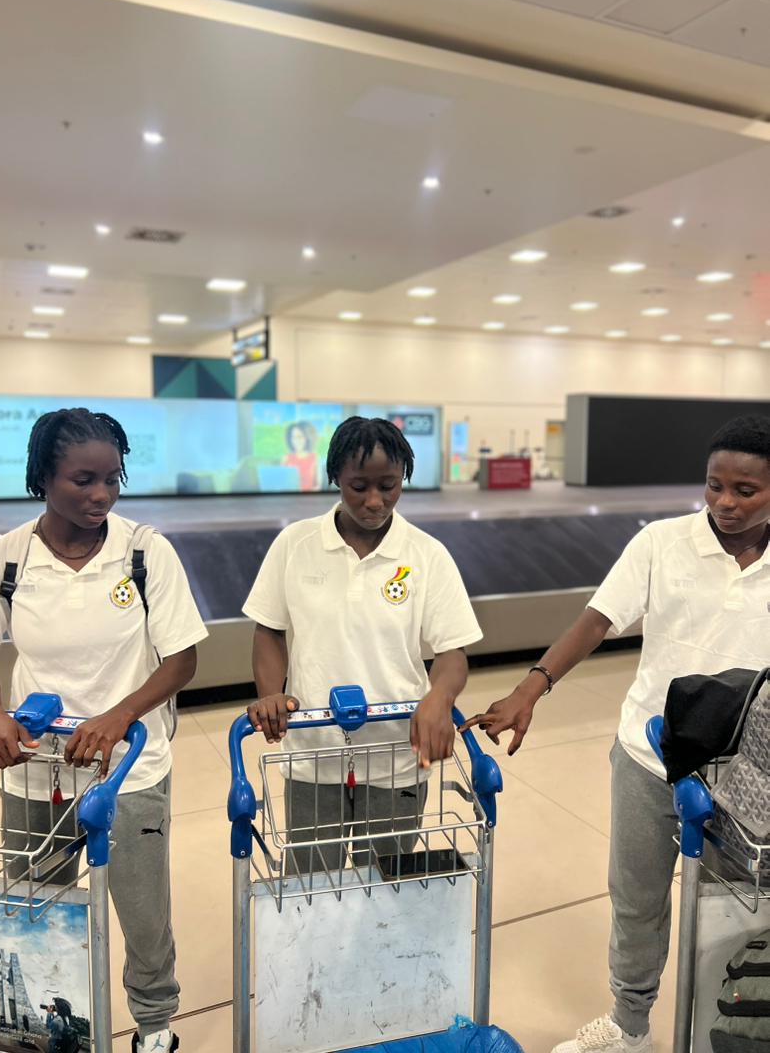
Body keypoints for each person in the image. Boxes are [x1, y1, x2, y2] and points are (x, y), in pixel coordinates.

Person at [460, 414, 770, 1053]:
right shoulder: (661, 543)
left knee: (736, 910)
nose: (725, 504)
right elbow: (596, 620)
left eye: (746, 490)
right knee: (636, 902)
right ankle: (629, 1027)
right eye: (714, 486)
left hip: (746, 774)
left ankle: (725, 1029)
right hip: (648, 757)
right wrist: (530, 687)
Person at [0, 408, 208, 1053]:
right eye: (83, 479)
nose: (101, 494)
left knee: (143, 913)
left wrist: (120, 715)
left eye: (113, 478)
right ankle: (48, 1032)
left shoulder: (145, 551)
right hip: (38, 771)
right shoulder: (3, 561)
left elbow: (181, 657)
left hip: (130, 771)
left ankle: (154, 1025)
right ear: (42, 476)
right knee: (36, 910)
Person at [243, 415, 482, 874]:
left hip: (396, 755)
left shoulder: (426, 554)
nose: (375, 501)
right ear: (335, 478)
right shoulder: (295, 544)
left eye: (389, 486)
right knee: (312, 885)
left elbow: (452, 651)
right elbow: (269, 629)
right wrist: (270, 692)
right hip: (315, 753)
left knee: (386, 886)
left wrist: (439, 697)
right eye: (359, 487)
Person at [282, 420, 321, 492]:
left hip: (309, 498)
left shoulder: (314, 458)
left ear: (307, 438)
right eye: (293, 437)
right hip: (290, 497)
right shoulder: (286, 458)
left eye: (300, 437)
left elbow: (318, 486)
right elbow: (282, 483)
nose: (296, 440)